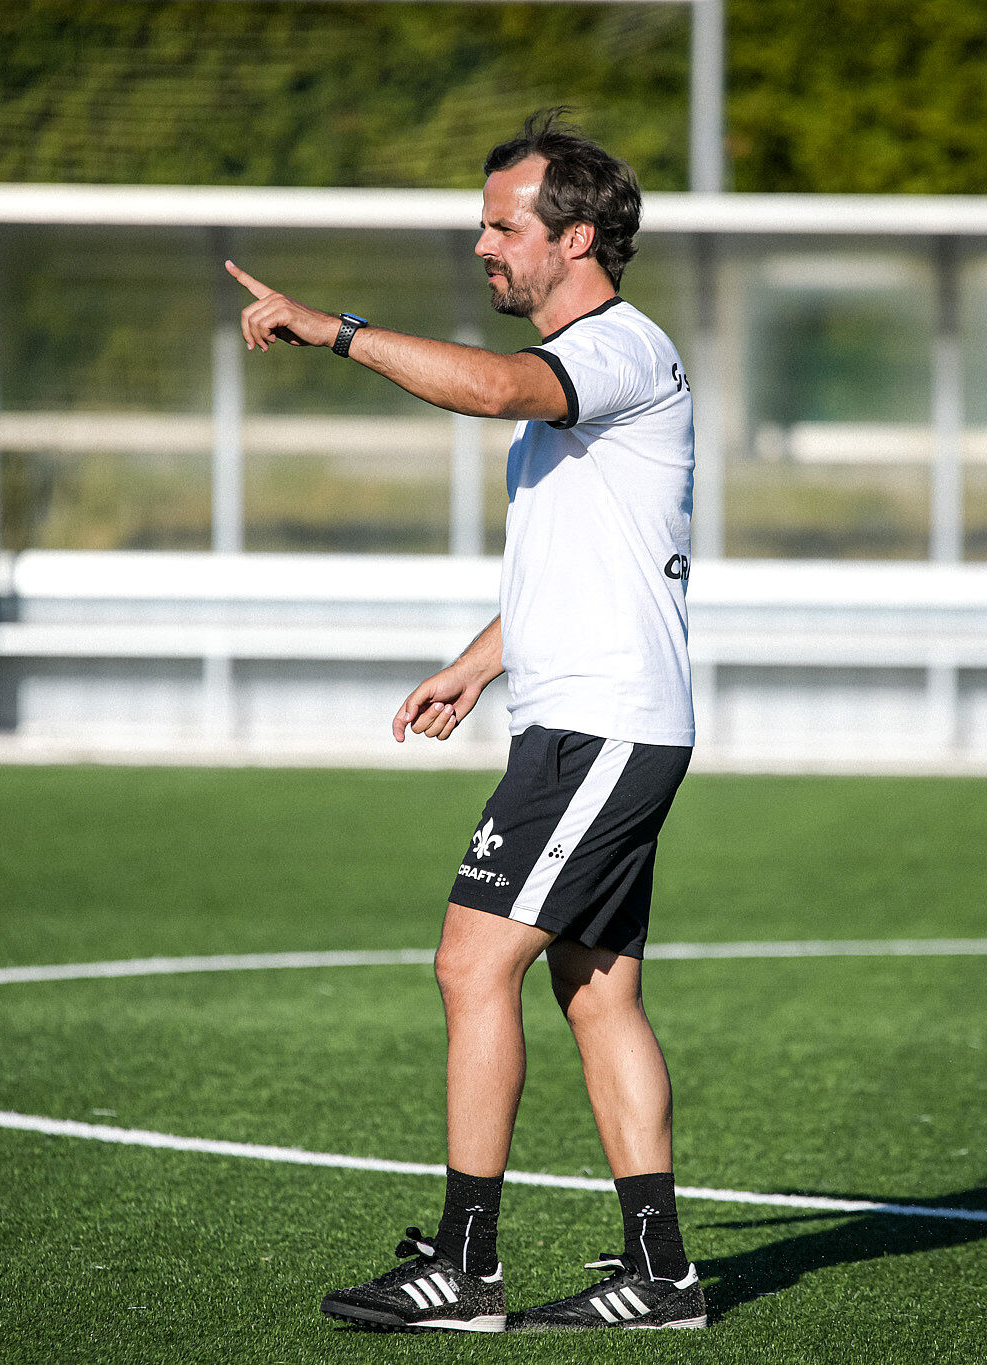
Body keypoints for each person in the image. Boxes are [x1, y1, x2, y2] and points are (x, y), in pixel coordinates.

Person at [226, 108, 704, 1333]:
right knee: (594, 991)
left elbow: (491, 388)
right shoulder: (588, 371)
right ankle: (659, 1275)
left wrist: (335, 329)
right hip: (592, 719)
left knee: (469, 961)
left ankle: (465, 1266)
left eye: (502, 226)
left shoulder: (614, 349)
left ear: (575, 237)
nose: (481, 245)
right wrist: (480, 664)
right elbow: (588, 564)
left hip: (600, 728)